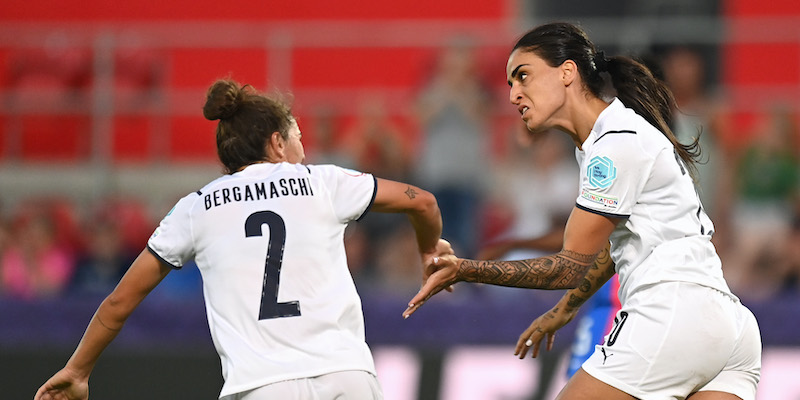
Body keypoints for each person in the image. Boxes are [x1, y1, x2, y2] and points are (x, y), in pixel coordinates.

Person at [403, 22, 761, 400]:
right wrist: (566, 308)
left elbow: (567, 267)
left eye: (523, 76)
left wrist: (466, 269)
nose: (514, 95)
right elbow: (613, 246)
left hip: (671, 314)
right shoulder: (614, 136)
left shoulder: (613, 145)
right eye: (510, 84)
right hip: (728, 328)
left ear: (568, 72)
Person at [35, 79, 444, 400]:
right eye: (297, 135)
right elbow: (422, 202)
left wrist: (78, 370)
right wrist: (429, 253)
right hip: (346, 376)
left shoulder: (196, 208)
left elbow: (119, 302)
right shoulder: (323, 182)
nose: (304, 145)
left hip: (262, 385)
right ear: (277, 143)